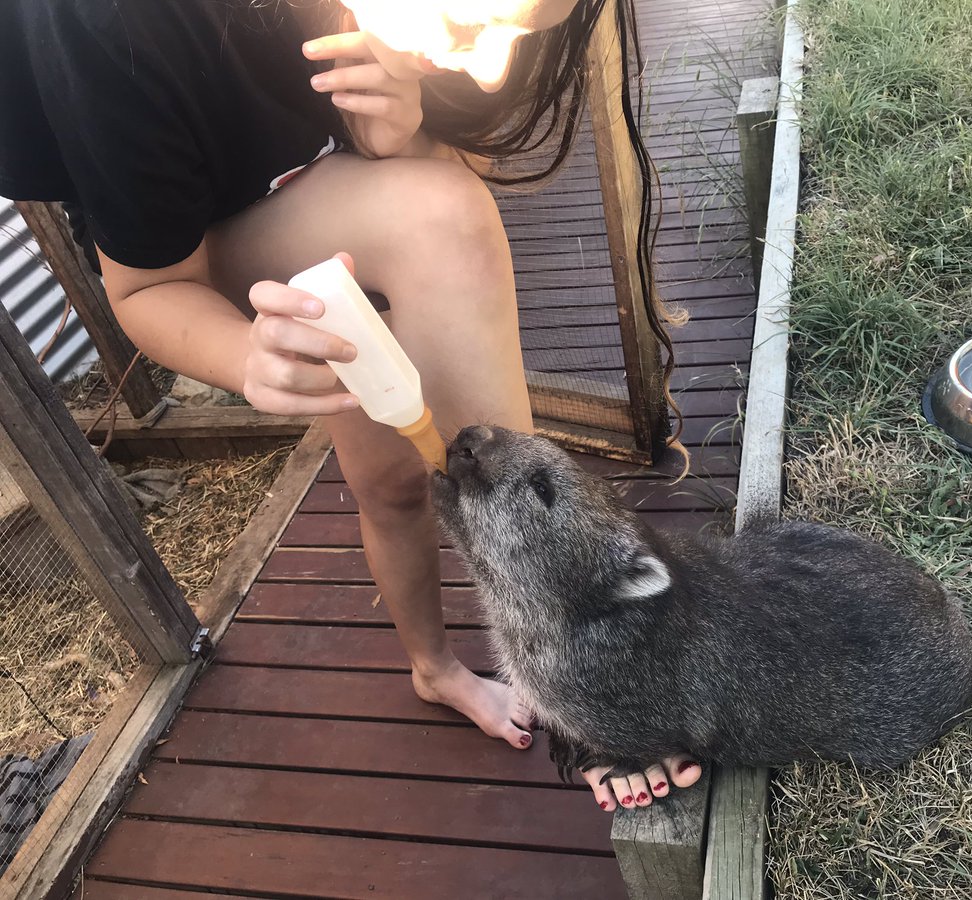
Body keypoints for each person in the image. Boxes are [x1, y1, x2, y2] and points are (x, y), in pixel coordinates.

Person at [0, 0, 699, 812]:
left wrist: (393, 123)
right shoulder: (106, 23)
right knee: (441, 215)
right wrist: (246, 355)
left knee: (393, 476)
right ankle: (583, 689)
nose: (485, 62)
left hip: (307, 182)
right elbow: (149, 285)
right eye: (472, 23)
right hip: (199, 230)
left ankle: (433, 670)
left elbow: (337, 132)